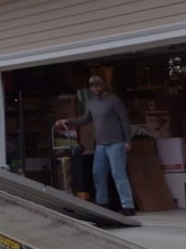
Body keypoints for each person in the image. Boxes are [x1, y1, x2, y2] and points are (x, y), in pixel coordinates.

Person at [55, 76, 136, 216]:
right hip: (100, 145)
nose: (95, 88)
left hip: (116, 142)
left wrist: (128, 140)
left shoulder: (114, 100)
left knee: (119, 174)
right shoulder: (91, 103)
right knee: (98, 173)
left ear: (103, 85)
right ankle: (102, 203)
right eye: (92, 86)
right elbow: (85, 119)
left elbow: (125, 120)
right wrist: (68, 120)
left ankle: (128, 206)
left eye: (97, 85)